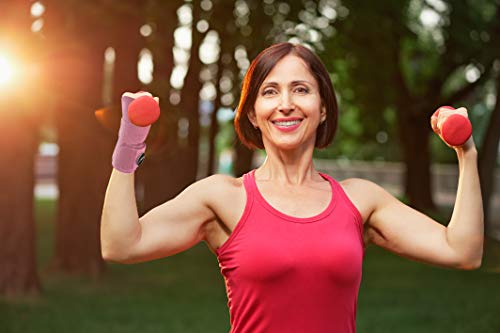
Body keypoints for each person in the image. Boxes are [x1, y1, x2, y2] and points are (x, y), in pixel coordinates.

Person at [101, 42, 484, 333]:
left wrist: (466, 154)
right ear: (253, 113)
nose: (285, 104)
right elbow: (121, 244)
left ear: (323, 109)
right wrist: (131, 141)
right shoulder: (222, 197)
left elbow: (462, 250)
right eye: (270, 92)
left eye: (301, 90)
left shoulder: (360, 200)